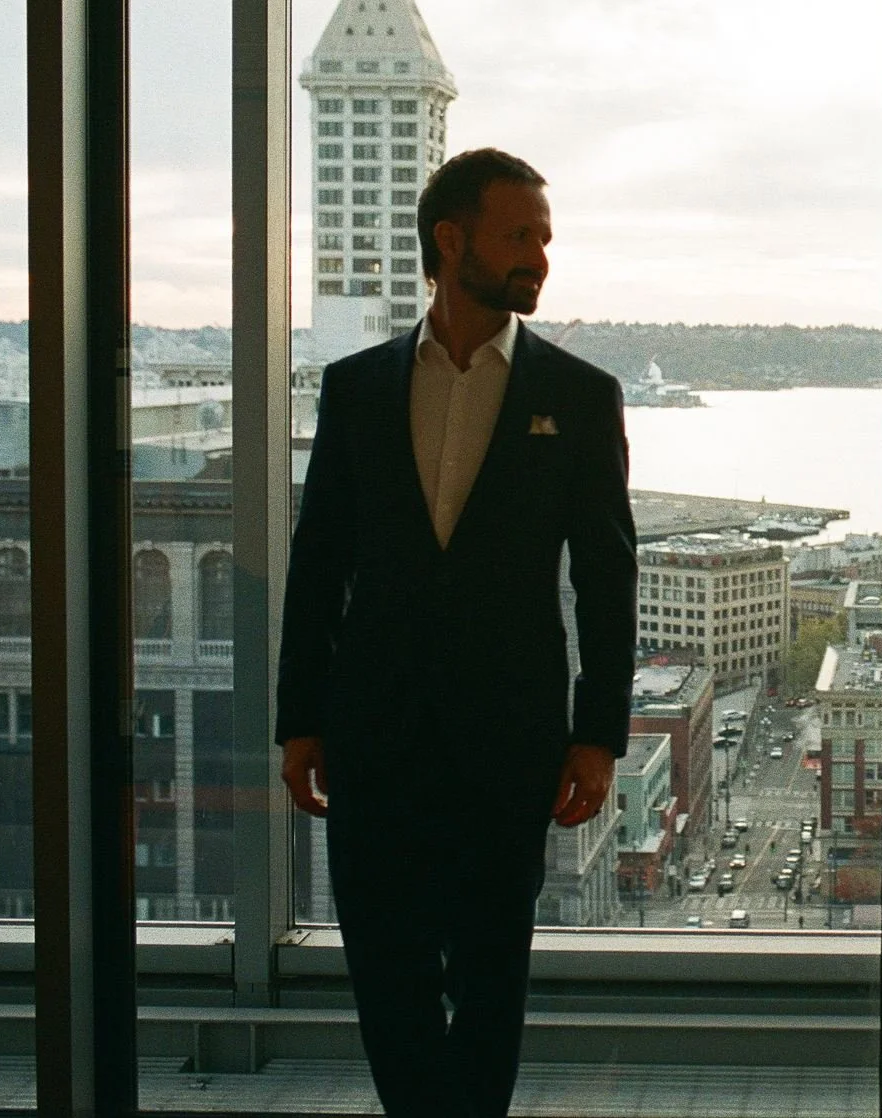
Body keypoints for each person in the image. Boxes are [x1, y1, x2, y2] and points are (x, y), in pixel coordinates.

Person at [276, 148, 638, 1118]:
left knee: (488, 978)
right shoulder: (354, 388)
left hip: (506, 739)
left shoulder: (578, 393)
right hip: (373, 733)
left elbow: (607, 575)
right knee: (385, 974)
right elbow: (318, 563)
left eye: (544, 238)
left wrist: (598, 732)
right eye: (519, 234)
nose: (539, 257)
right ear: (451, 239)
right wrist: (297, 717)